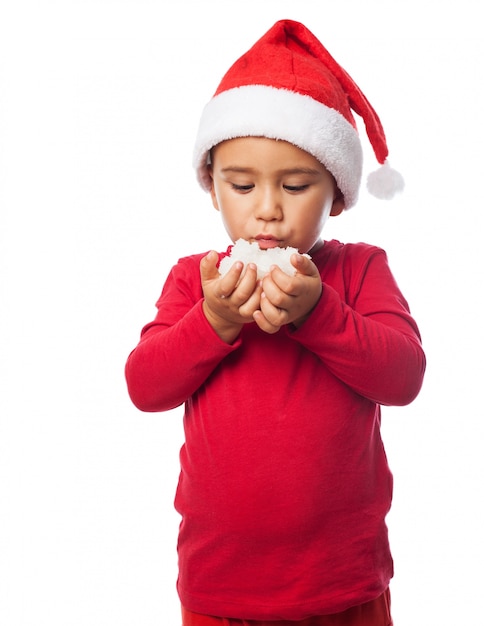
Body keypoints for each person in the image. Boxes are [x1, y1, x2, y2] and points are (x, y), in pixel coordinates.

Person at [125, 19, 425, 626]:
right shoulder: (195, 279)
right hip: (220, 587)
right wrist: (212, 321)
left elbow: (404, 377)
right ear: (212, 188)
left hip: (343, 584)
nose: (266, 208)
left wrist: (319, 315)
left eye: (295, 184)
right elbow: (144, 386)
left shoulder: (360, 271)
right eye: (241, 184)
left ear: (337, 194)